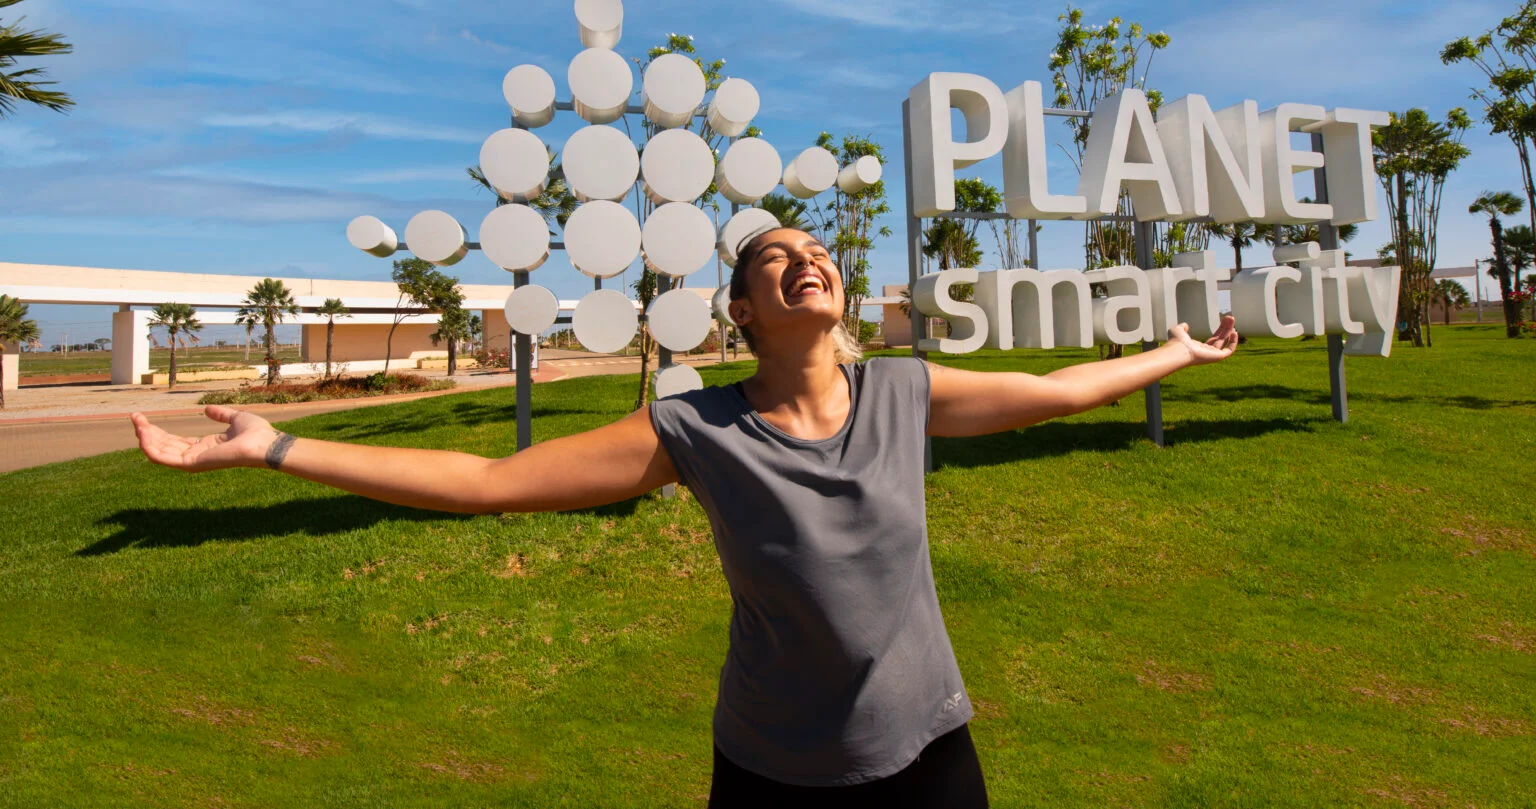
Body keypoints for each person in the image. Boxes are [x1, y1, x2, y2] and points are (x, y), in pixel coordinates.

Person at [132, 227, 1239, 807]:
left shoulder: (905, 391)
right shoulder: (694, 427)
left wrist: (1179, 352)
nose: (806, 261)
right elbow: (485, 480)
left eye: (817, 252)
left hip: (931, 754)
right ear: (745, 311)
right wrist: (277, 444)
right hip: (774, 771)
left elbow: (1061, 389)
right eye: (776, 261)